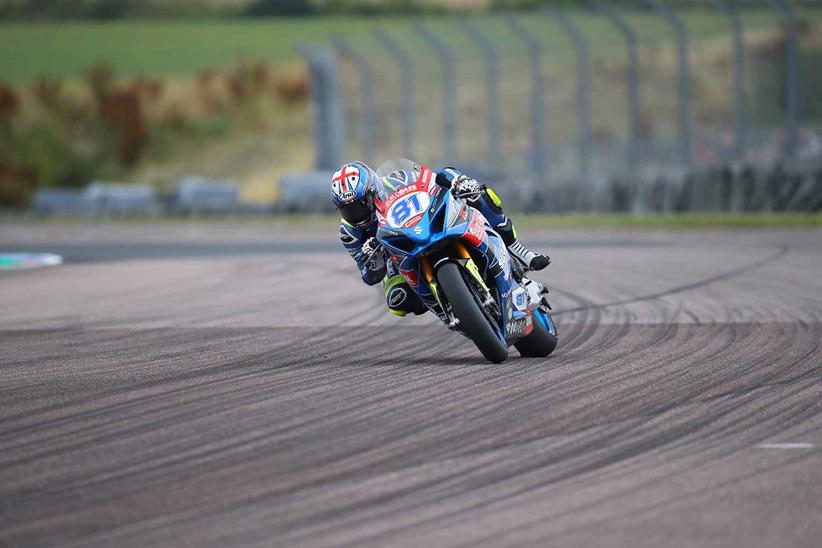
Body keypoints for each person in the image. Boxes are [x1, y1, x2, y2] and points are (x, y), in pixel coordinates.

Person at [330, 160, 550, 318]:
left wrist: (459, 182)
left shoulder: (395, 180)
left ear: (372, 190)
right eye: (347, 209)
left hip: (424, 224)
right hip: (396, 256)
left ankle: (518, 251)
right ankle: (452, 306)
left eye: (359, 204)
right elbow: (369, 276)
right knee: (397, 300)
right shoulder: (349, 232)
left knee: (479, 194)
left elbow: (433, 176)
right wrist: (372, 258)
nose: (355, 213)